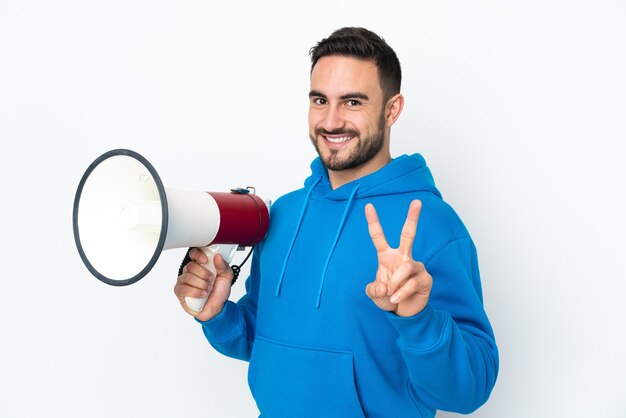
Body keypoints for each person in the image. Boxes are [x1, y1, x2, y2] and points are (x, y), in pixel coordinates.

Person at [174, 27, 498, 417]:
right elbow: (268, 339)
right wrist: (220, 316)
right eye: (319, 100)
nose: (331, 121)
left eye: (353, 102)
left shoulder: (432, 223)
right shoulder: (285, 214)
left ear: (392, 109)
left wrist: (417, 319)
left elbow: (469, 390)